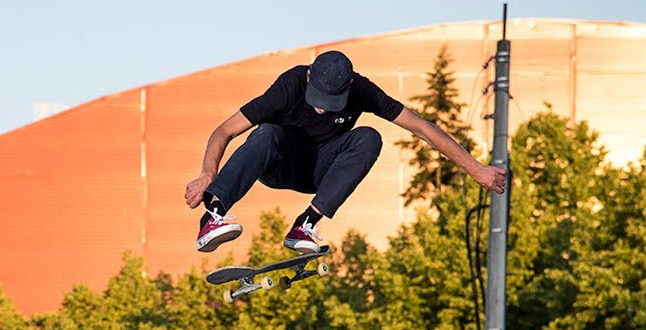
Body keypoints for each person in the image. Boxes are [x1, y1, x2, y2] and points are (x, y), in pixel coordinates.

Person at [185, 50, 508, 254]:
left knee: (368, 137)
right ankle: (213, 217)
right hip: (279, 164)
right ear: (309, 76)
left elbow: (421, 127)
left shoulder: (363, 90)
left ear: (349, 85)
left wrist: (474, 168)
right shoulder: (289, 86)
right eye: (318, 99)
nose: (322, 110)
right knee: (267, 131)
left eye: (331, 103)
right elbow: (224, 131)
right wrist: (207, 175)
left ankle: (305, 226)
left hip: (320, 172)